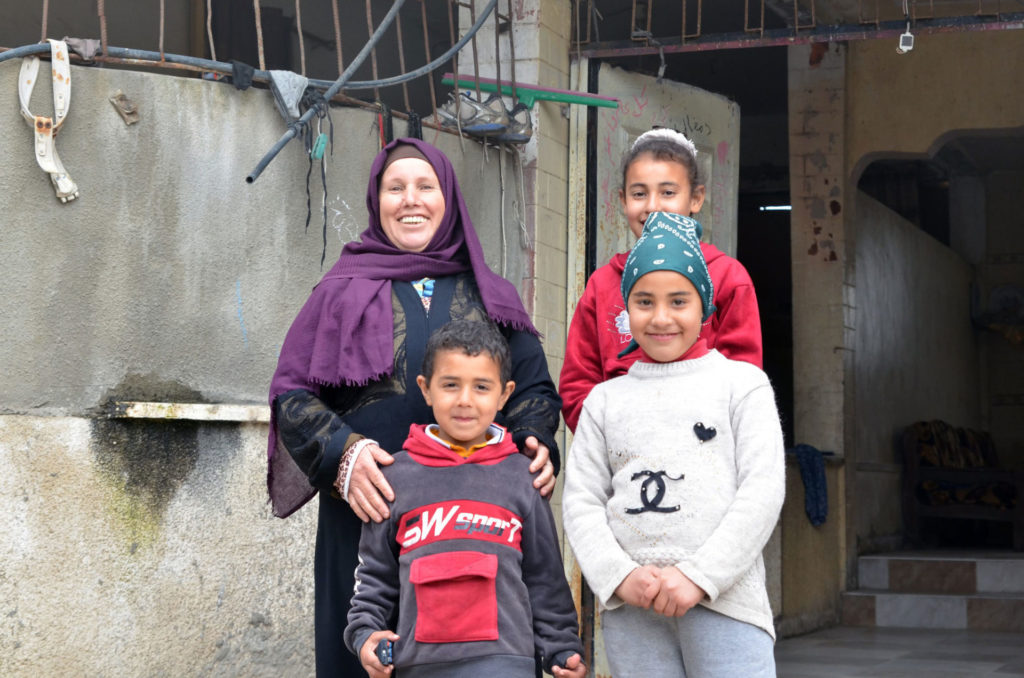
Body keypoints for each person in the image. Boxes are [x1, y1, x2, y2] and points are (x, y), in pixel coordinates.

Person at [267, 138, 563, 677]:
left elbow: (535, 389)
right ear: (376, 200)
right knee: (365, 654)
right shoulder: (337, 291)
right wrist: (344, 455)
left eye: (425, 187)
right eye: (395, 187)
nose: (411, 200)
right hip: (367, 513)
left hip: (470, 522)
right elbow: (291, 394)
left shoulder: (490, 294)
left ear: (447, 197)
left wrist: (533, 440)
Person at [562, 213, 785, 678]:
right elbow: (581, 500)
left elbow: (762, 491)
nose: (661, 317)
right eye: (644, 301)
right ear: (627, 310)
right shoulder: (605, 400)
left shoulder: (742, 385)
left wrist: (699, 577)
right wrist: (620, 577)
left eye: (678, 301)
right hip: (632, 611)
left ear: (704, 306)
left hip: (727, 604)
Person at [345, 319, 586, 678]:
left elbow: (545, 577)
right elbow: (375, 575)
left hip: (506, 665)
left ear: (505, 394)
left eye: (482, 387)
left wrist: (561, 647)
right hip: (419, 666)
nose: (465, 401)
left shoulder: (522, 478)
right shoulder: (395, 477)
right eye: (450, 385)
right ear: (426, 390)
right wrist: (365, 635)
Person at [559, 127, 763, 432]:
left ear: (696, 198)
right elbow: (578, 386)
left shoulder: (727, 277)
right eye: (639, 193)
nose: (652, 206)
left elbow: (744, 384)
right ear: (623, 200)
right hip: (621, 456)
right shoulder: (602, 284)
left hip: (704, 452)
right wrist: (612, 438)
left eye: (668, 192)